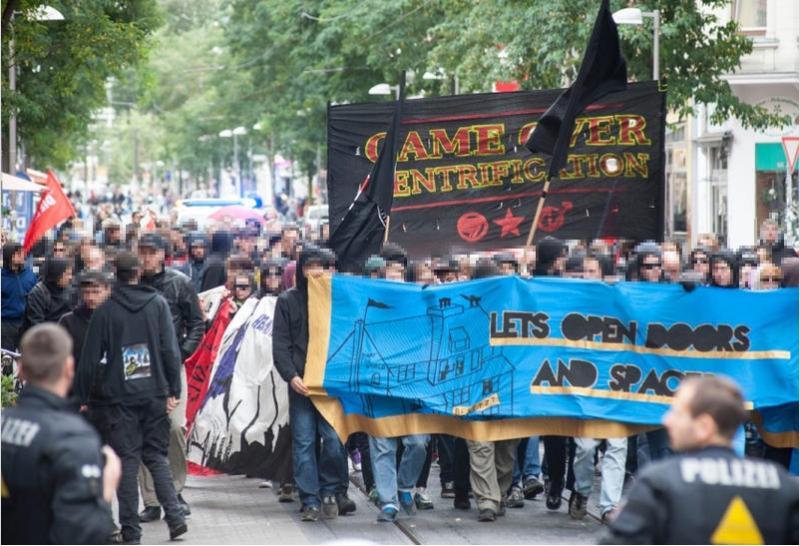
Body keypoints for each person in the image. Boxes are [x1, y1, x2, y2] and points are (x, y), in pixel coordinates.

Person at [601, 376, 798, 544]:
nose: (667, 421)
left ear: (704, 426)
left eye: (678, 413)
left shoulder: (659, 482)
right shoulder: (783, 486)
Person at [75, 251, 188, 544]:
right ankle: (175, 518)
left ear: (114, 273)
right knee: (156, 456)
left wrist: (83, 395)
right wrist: (173, 389)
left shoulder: (105, 311)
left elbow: (89, 359)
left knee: (126, 460)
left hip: (118, 396)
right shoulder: (159, 304)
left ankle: (131, 531)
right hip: (153, 393)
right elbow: (170, 351)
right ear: (138, 272)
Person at [1, 324, 122, 545]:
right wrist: (105, 490)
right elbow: (82, 534)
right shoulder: (72, 439)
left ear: (21, 370)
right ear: (69, 368)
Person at [273, 245, 355, 521]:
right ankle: (309, 498)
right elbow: (280, 345)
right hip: (301, 385)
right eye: (310, 266)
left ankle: (330, 489)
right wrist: (291, 376)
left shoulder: (337, 300)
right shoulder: (287, 301)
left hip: (329, 387)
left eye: (320, 266)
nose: (315, 272)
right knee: (304, 442)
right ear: (301, 269)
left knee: (333, 439)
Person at [137, 232, 204, 520]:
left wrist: (181, 353)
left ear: (163, 254)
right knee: (143, 430)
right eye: (142, 252)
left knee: (175, 427)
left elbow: (197, 324)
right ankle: (151, 500)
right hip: (137, 366)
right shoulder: (130, 284)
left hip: (171, 367)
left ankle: (175, 490)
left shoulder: (180, 283)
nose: (147, 257)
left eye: (152, 252)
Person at [465, 259, 520, 522]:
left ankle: (499, 490)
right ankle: (487, 500)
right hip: (475, 390)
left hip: (507, 391)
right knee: (480, 444)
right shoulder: (467, 310)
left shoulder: (513, 309)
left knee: (506, 446)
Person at [58, 270, 111, 368]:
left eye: (96, 292)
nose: (91, 297)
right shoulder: (68, 322)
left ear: (107, 291)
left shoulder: (116, 319)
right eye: (86, 292)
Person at [21, 256, 74, 335]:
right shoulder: (38, 293)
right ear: (57, 274)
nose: (70, 277)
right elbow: (36, 324)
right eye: (67, 274)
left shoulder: (70, 291)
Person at [1, 242, 37, 351]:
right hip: (6, 324)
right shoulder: (1, 277)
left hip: (26, 323)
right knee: (7, 359)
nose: (22, 256)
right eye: (17, 253)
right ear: (9, 256)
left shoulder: (30, 275)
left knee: (27, 356)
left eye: (22, 253)